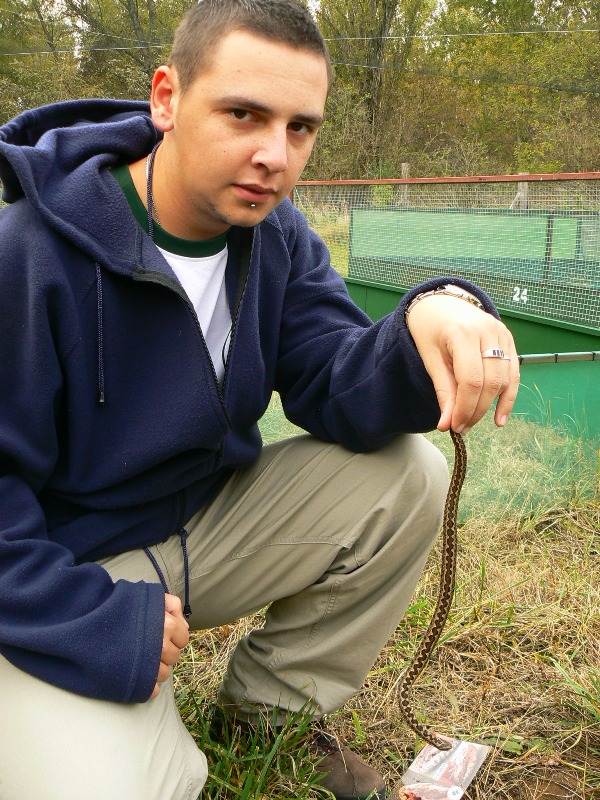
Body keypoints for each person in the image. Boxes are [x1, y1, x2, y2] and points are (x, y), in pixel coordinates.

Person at [0, 1, 519, 799]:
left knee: (404, 475)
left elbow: (335, 381)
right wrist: (102, 625)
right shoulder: (27, 254)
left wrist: (429, 313)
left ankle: (267, 714)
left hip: (201, 529)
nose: (273, 155)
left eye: (300, 128)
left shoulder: (277, 237)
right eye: (243, 114)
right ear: (167, 99)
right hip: (71, 568)